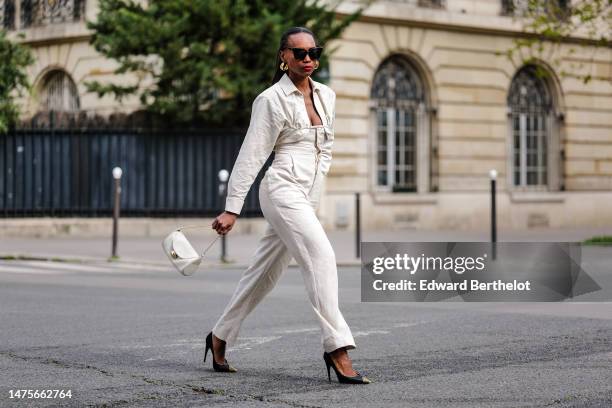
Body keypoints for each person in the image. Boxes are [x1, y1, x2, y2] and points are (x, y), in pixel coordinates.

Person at [207, 27, 370, 385]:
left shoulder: (327, 95)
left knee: (265, 273)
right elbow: (252, 155)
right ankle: (337, 346)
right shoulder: (270, 100)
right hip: (280, 191)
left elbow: (324, 150)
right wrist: (233, 207)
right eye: (300, 53)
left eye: (314, 52)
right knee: (321, 256)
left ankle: (219, 336)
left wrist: (314, 199)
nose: (308, 58)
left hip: (305, 197)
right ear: (284, 57)